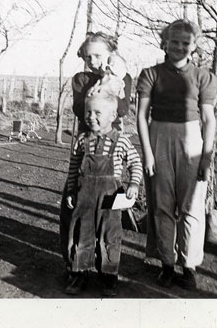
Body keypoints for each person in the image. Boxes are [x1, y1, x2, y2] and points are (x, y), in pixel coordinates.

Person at [136, 19, 217, 290]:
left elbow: (209, 120)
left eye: (186, 43)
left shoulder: (203, 77)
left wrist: (206, 158)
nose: (179, 47)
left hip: (192, 140)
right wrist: (147, 153)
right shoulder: (151, 74)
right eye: (174, 42)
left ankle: (189, 266)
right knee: (161, 205)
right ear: (165, 42)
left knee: (191, 207)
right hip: (159, 137)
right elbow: (141, 116)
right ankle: (167, 264)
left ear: (194, 46)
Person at [60, 32, 132, 282]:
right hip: (86, 147)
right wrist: (105, 81)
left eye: (99, 55)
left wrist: (114, 78)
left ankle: (108, 270)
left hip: (113, 149)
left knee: (111, 219)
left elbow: (122, 109)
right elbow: (82, 108)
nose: (93, 60)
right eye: (88, 56)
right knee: (76, 213)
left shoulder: (124, 78)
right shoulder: (80, 79)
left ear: (111, 54)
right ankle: (76, 268)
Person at [63, 92, 143, 296]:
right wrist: (71, 190)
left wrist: (134, 184)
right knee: (82, 234)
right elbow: (73, 167)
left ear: (113, 115)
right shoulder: (82, 140)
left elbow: (135, 163)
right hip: (84, 197)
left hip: (110, 198)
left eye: (97, 112)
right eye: (88, 112)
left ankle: (108, 276)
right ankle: (79, 274)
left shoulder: (122, 141)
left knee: (110, 236)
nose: (91, 116)